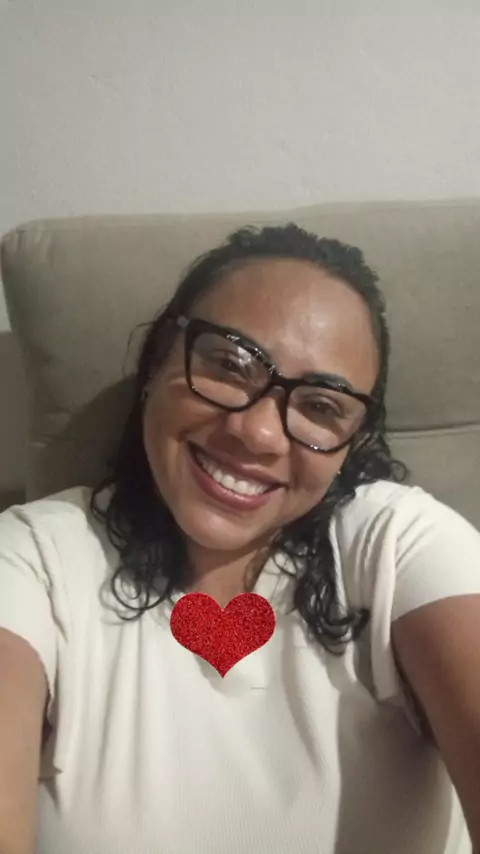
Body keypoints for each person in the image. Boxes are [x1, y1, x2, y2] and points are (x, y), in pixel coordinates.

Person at [1, 223, 480, 854]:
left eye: (321, 407)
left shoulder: (399, 544)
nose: (258, 433)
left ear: (352, 444)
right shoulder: (34, 558)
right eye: (229, 365)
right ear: (157, 362)